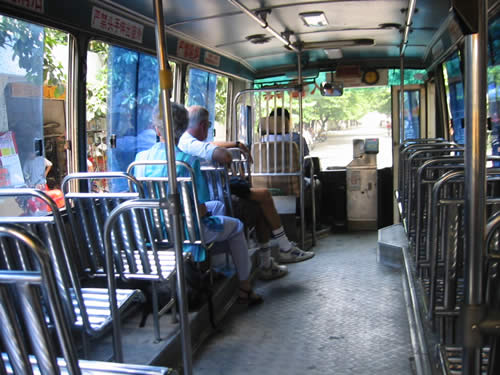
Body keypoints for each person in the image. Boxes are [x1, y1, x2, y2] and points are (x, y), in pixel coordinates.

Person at [134, 102, 262, 305]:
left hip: (153, 231)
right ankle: (244, 287)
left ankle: (214, 268)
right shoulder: (187, 162)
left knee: (218, 207)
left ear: (157, 129)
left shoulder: (139, 160)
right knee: (236, 226)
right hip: (186, 232)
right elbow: (200, 208)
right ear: (184, 128)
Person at [179, 105, 315, 276]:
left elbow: (208, 144)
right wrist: (231, 153)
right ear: (204, 125)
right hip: (216, 201)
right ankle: (283, 249)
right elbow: (223, 155)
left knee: (260, 201)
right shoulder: (190, 143)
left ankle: (270, 260)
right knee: (262, 197)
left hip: (210, 198)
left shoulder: (186, 142)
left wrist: (236, 144)